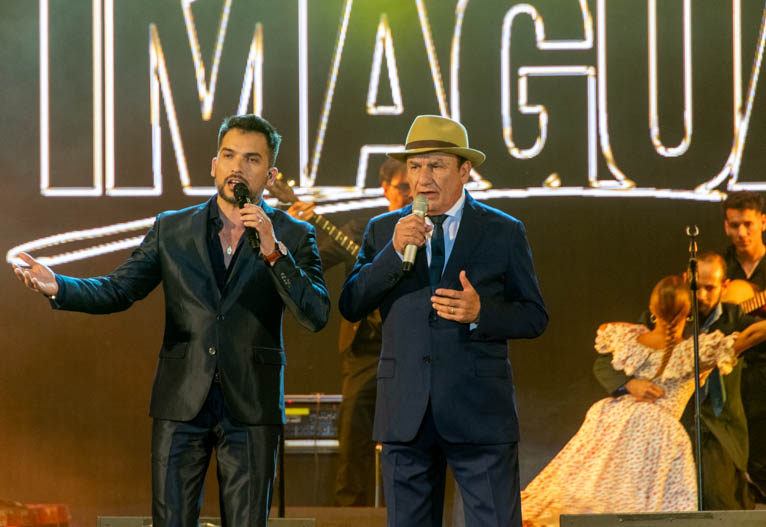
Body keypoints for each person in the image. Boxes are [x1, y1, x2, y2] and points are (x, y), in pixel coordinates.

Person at [13, 114, 330, 527]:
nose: (237, 167)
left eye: (251, 159)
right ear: (213, 165)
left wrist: (273, 251)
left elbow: (315, 314)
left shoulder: (294, 234)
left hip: (252, 404)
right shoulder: (172, 228)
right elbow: (119, 289)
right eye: (229, 155)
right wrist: (59, 286)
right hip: (181, 400)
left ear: (270, 176)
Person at [339, 114, 549, 527]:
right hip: (406, 415)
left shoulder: (503, 231)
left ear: (464, 171)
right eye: (415, 166)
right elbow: (351, 303)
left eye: (436, 166)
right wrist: (392, 253)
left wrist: (481, 313)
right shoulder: (384, 230)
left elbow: (534, 316)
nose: (423, 178)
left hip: (479, 413)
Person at [521, 276, 766, 527]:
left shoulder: (631, 338)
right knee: (637, 502)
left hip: (612, 419)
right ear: (688, 313)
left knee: (590, 486)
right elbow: (751, 335)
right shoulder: (694, 351)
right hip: (654, 432)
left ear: (652, 309)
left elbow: (608, 329)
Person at [286, 158, 412, 506]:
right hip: (366, 351)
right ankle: (350, 514)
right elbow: (311, 264)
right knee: (354, 432)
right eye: (402, 187)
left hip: (413, 349)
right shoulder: (362, 231)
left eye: (413, 187)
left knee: (410, 438)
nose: (409, 193)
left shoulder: (431, 231)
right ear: (385, 189)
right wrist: (296, 229)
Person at [594, 253, 755, 510]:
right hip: (658, 430)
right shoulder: (663, 314)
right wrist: (629, 384)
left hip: (714, 428)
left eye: (710, 288)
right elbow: (608, 360)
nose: (701, 295)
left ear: (724, 286)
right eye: (696, 286)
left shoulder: (734, 316)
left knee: (717, 498)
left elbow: (753, 337)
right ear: (685, 280)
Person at [721, 190, 766, 501]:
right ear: (726, 226)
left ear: (763, 222)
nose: (741, 232)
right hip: (729, 372)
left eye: (748, 224)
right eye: (734, 225)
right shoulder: (718, 268)